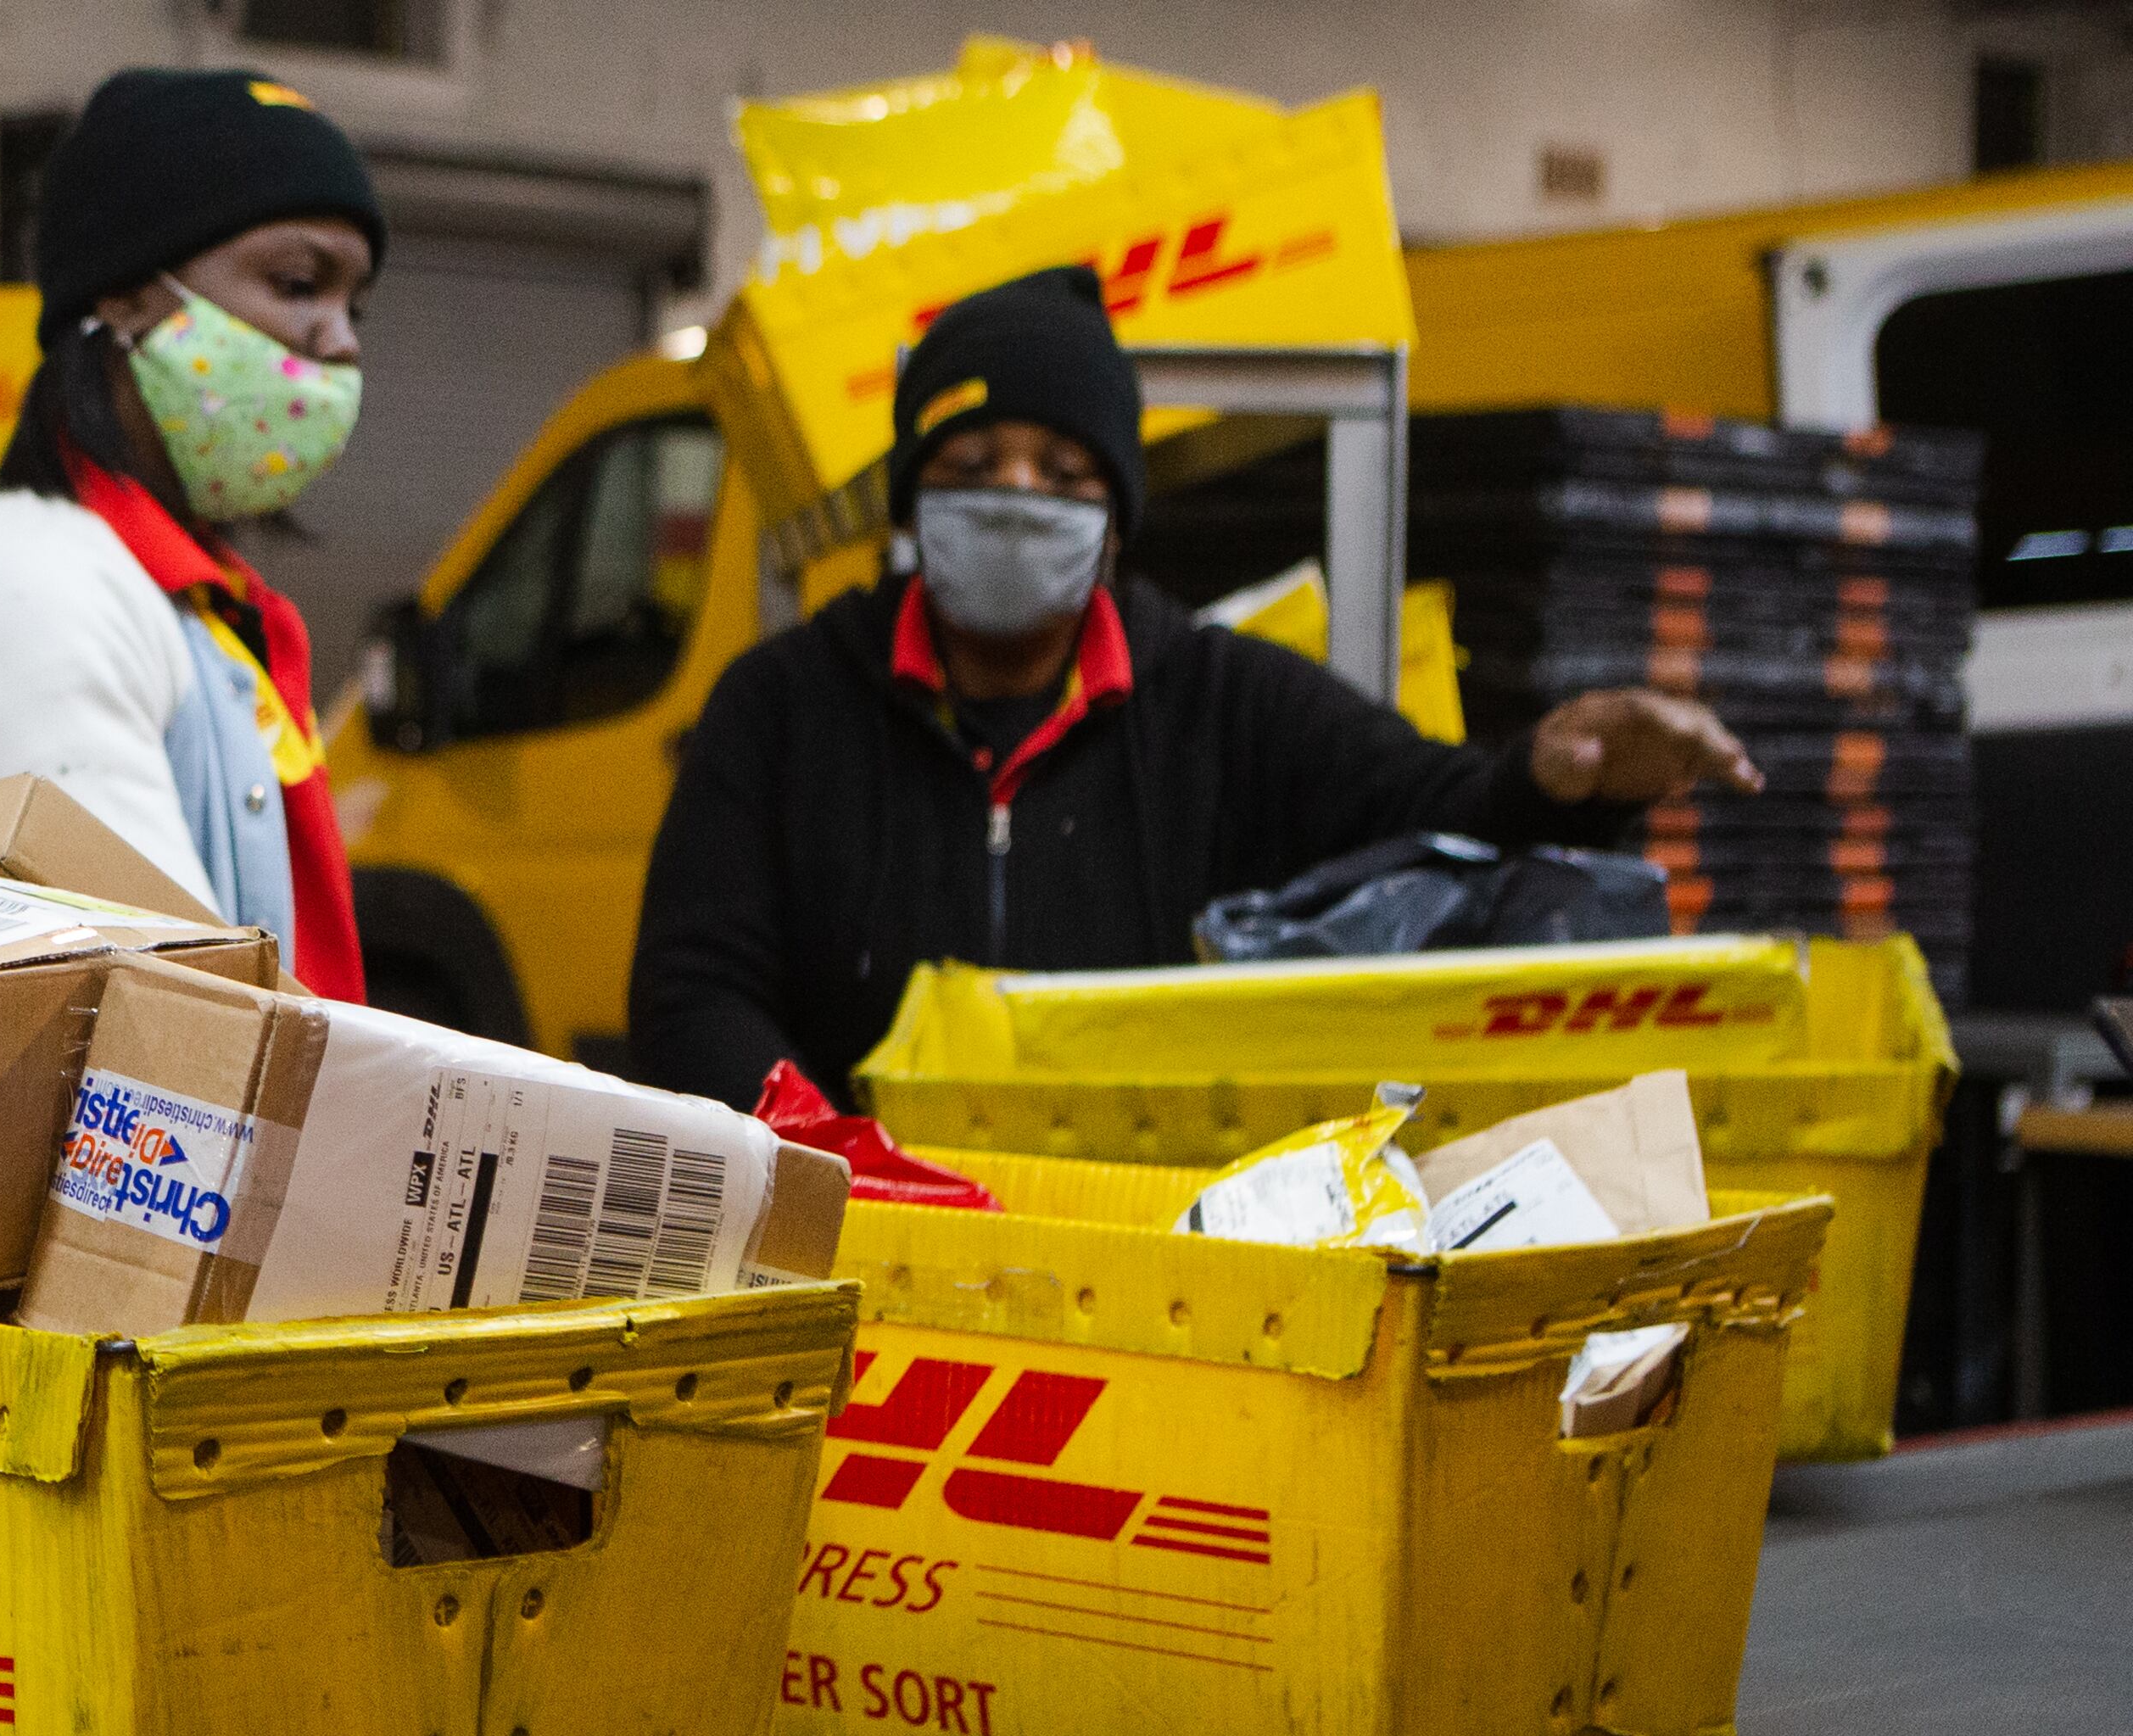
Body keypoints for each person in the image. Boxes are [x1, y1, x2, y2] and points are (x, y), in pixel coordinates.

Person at [628, 266, 1762, 1109]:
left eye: (1064, 474)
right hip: (856, 1249)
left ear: (1116, 515)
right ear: (915, 500)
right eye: (972, 468)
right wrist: (832, 1160)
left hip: (1160, 1253)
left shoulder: (1227, 704)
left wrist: (1564, 778)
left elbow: (1430, 813)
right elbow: (693, 994)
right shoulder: (782, 710)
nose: (1018, 497)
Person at [0, 66, 382, 1002]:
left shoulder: (203, 606)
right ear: (125, 293)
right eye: (300, 283)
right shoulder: (29, 582)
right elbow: (166, 1007)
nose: (340, 338)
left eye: (355, 305)